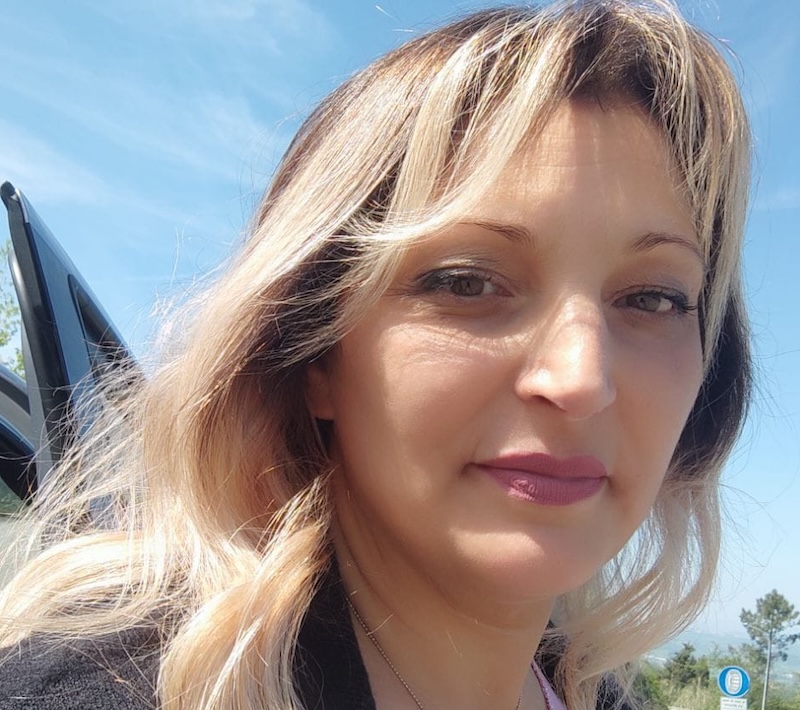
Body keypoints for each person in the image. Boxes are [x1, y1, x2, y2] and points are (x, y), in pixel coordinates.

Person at [0, 1, 752, 708]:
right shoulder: (115, 688)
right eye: (466, 282)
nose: (582, 379)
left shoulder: (597, 690)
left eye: (654, 298)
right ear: (314, 353)